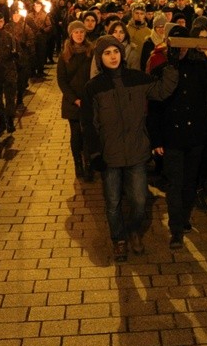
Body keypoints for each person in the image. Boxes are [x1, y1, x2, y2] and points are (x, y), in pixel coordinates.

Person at [81, 36, 178, 262]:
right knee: (113, 202)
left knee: (139, 200)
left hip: (136, 151)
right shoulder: (93, 87)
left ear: (122, 54)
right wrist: (94, 153)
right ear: (100, 58)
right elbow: (89, 123)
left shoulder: (137, 79)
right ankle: (119, 239)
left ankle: (134, 230)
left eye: (115, 51)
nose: (113, 56)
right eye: (107, 53)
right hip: (110, 154)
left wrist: (170, 64)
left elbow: (162, 90)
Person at [148, 25, 207, 249]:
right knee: (175, 183)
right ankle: (176, 229)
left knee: (190, 182)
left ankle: (184, 217)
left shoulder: (199, 67)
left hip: (195, 135)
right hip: (172, 136)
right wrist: (156, 140)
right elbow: (155, 108)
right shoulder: (162, 69)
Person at [57, 20, 94, 179]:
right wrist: (74, 99)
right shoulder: (64, 55)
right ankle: (77, 163)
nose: (79, 35)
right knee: (76, 134)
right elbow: (62, 80)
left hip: (89, 100)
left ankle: (88, 165)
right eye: (76, 32)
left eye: (81, 32)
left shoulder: (91, 51)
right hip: (72, 102)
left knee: (88, 134)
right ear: (71, 34)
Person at [0, 12, 19, 134]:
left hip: (8, 70)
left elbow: (18, 53)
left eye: (1, 21)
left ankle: (10, 120)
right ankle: (1, 121)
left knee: (10, 98)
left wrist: (16, 55)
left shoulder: (10, 37)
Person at [5, 5, 35, 109]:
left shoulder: (25, 27)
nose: (16, 17)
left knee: (21, 80)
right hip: (11, 58)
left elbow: (31, 39)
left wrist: (25, 44)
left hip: (22, 58)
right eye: (14, 15)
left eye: (18, 15)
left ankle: (20, 99)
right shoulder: (7, 27)